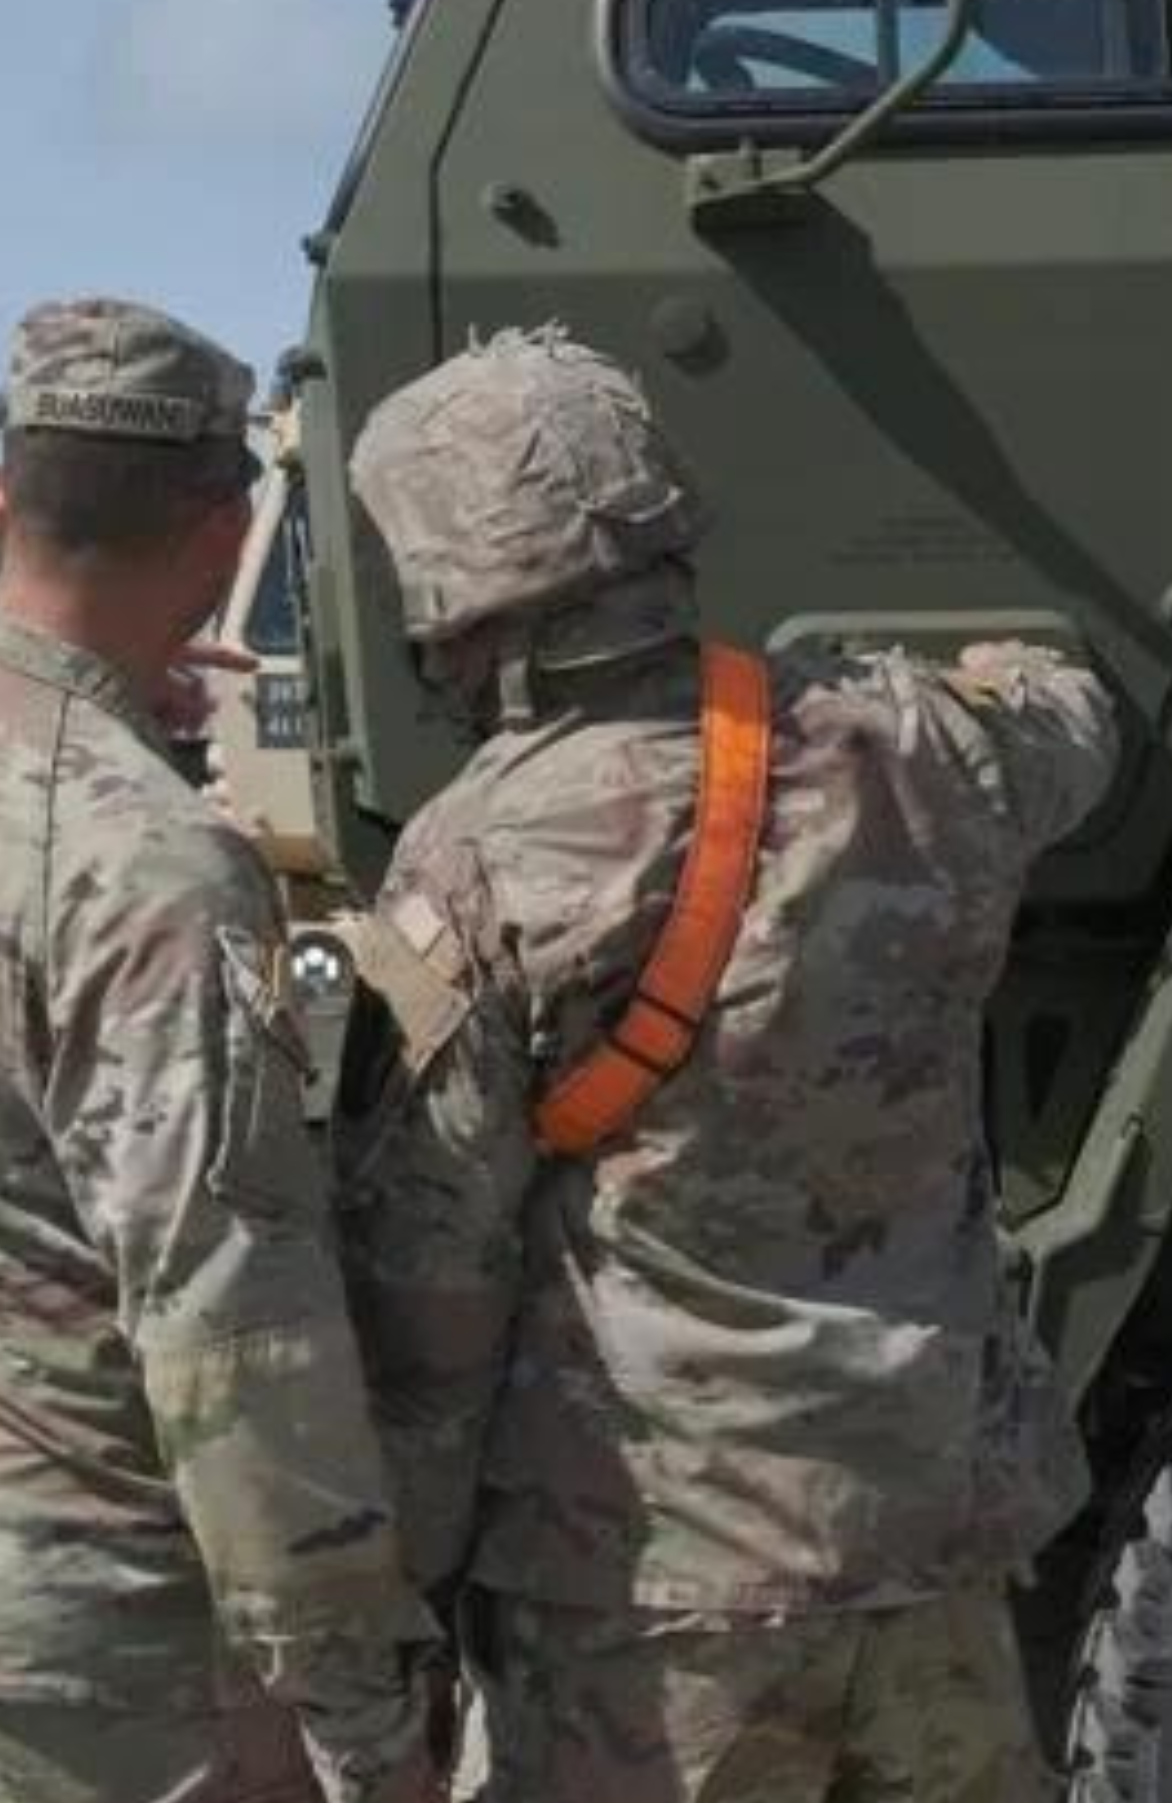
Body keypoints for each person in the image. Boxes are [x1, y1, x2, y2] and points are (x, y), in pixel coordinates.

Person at [330, 329, 1123, 1803]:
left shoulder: (474, 856)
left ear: (446, 600)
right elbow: (1072, 716)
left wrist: (405, 1602)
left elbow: (433, 1289)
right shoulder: (915, 747)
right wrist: (978, 671)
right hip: (930, 1536)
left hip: (650, 1593)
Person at [0, 296, 440, 1803]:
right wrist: (365, 1711)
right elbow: (229, 1324)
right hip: (76, 1663)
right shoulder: (152, 863)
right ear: (223, 531)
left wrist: (108, 715)